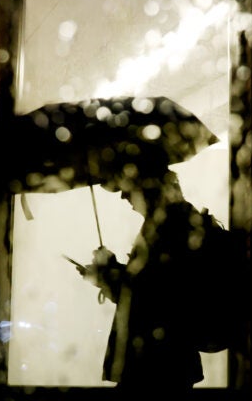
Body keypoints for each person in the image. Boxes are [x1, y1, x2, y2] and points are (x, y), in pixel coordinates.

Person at [77, 162, 206, 400]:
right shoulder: (172, 221)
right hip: (164, 362)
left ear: (149, 186)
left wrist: (109, 273)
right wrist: (110, 272)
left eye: (129, 187)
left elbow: (151, 298)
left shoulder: (169, 226)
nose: (124, 195)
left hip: (156, 362)